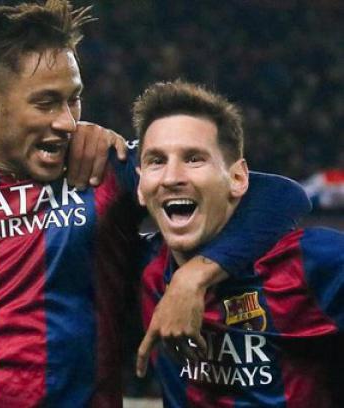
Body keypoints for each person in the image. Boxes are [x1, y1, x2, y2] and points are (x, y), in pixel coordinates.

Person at [0, 1, 310, 406]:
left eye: (74, 98)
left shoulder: (105, 168)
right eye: (46, 103)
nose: (66, 121)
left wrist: (194, 278)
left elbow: (281, 196)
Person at [134, 80, 343, 407]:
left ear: (238, 178)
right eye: (156, 160)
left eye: (194, 159)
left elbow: (285, 194)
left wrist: (192, 277)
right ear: (139, 184)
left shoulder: (314, 262)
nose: (172, 177)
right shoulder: (141, 267)